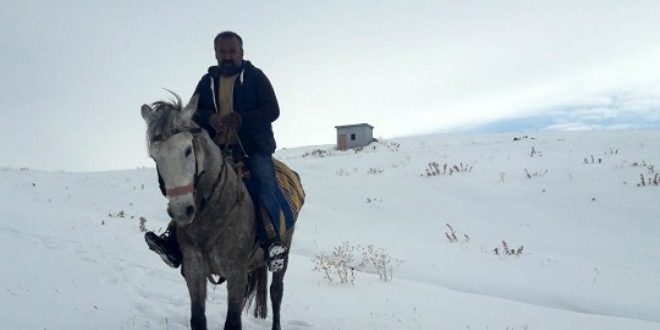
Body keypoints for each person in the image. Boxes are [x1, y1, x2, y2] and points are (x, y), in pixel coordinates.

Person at [145, 31, 287, 272]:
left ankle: (273, 243)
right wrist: (210, 118)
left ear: (241, 52)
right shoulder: (206, 81)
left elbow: (273, 110)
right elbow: (191, 113)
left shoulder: (255, 77)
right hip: (217, 150)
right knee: (191, 186)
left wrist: (242, 119)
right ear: (216, 54)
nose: (228, 56)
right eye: (223, 52)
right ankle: (173, 239)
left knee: (265, 184)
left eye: (232, 51)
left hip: (253, 149)